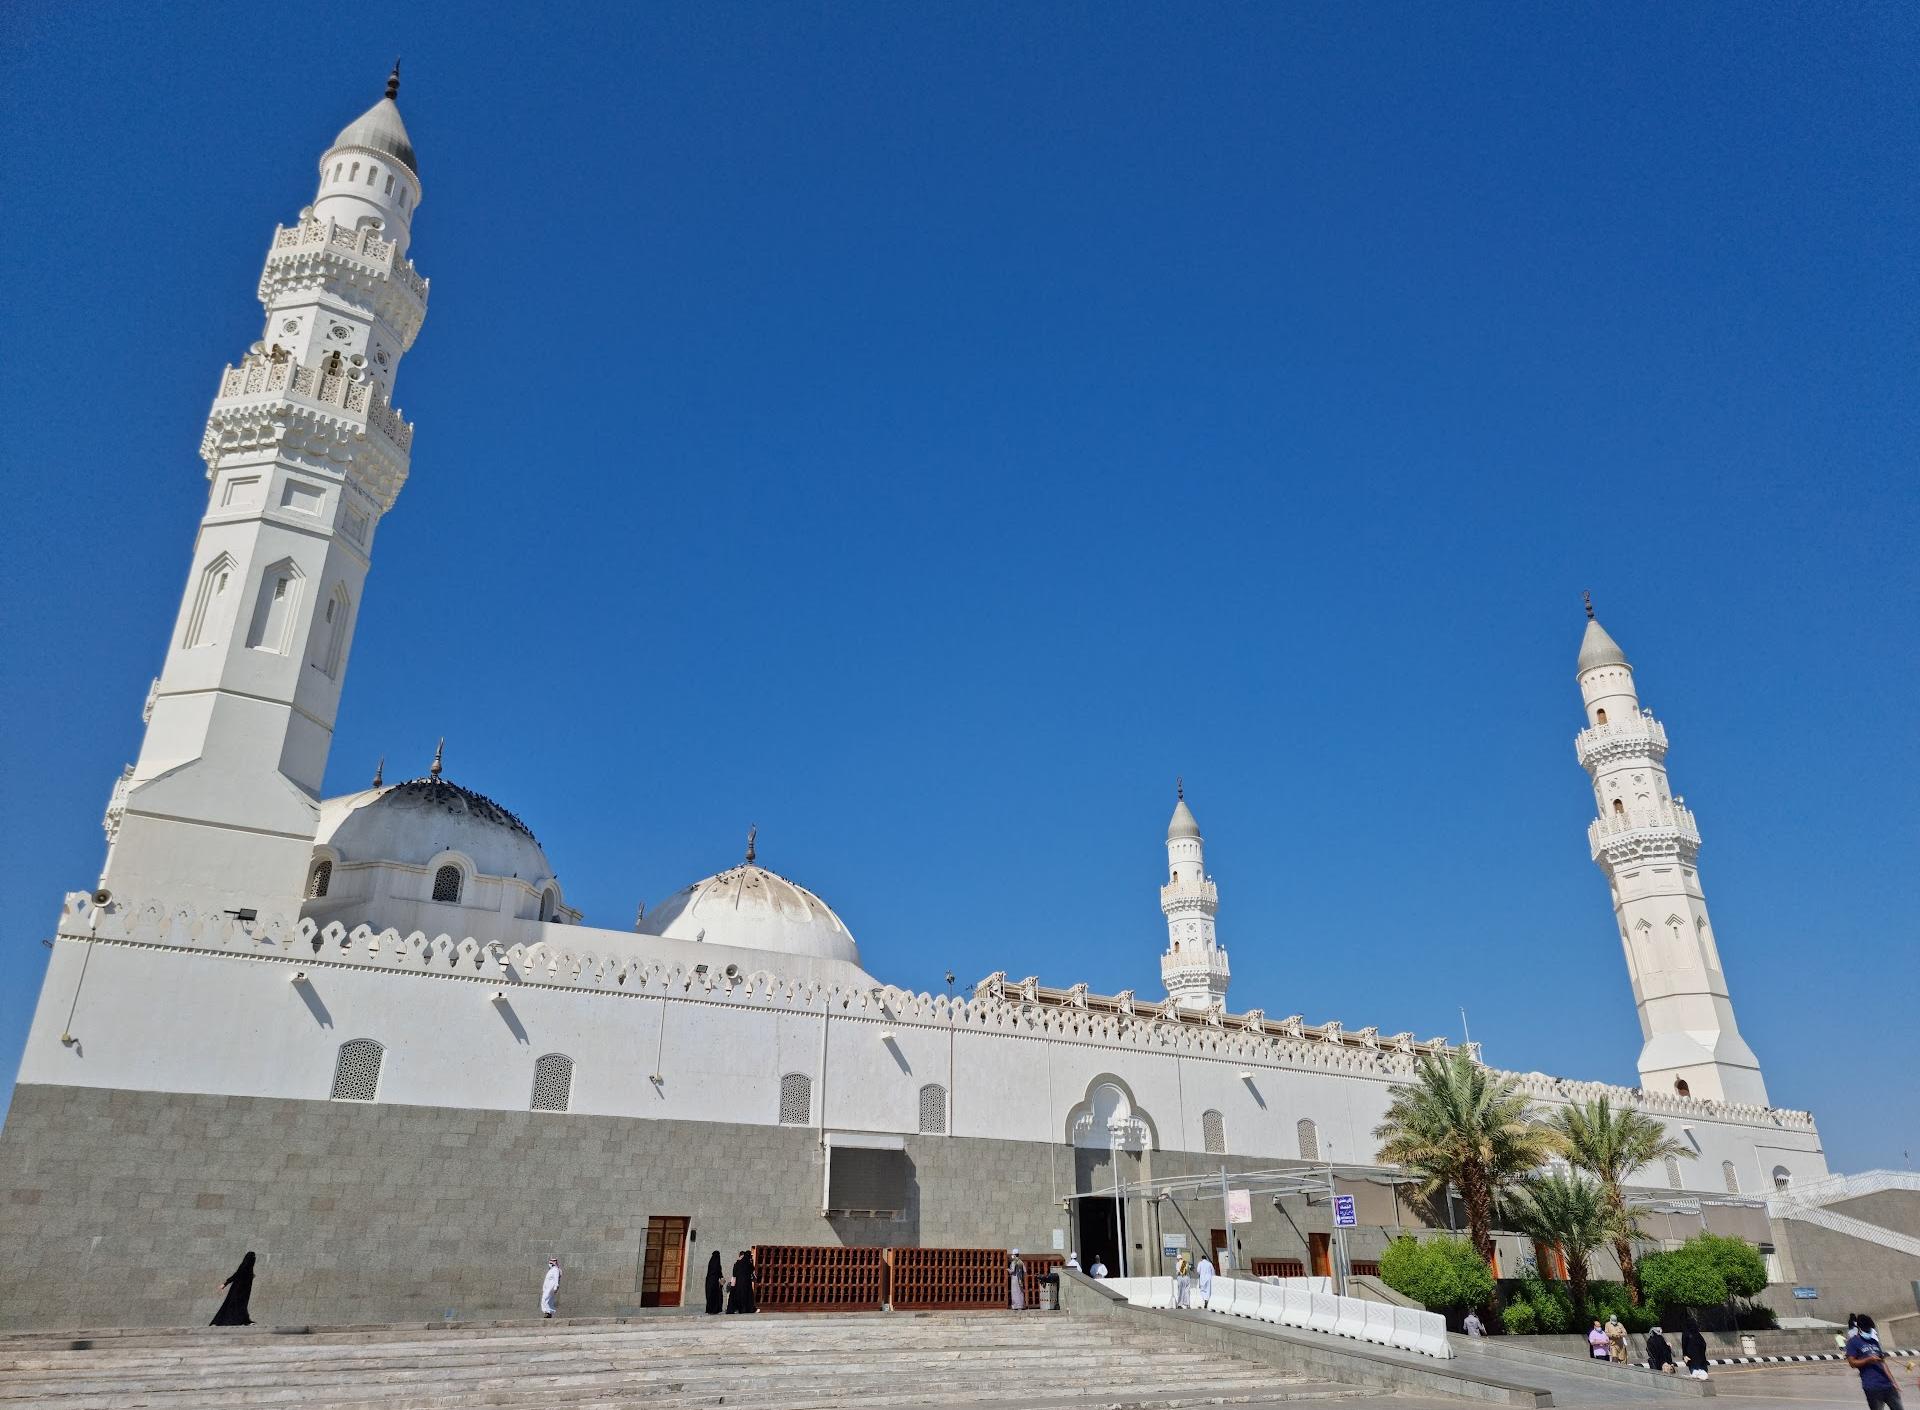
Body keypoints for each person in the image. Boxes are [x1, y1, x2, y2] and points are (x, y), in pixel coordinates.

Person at [1847, 1314, 1903, 1410]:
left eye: (1869, 1329)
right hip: (1872, 1387)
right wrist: (1868, 1359)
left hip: (1888, 1385)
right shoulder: (1853, 1342)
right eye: (1866, 1329)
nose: (1868, 1331)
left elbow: (1883, 1363)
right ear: (1859, 1328)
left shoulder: (1874, 1341)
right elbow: (1852, 1363)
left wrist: (1893, 1381)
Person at [210, 1251, 256, 1327]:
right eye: (253, 1258)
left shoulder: (249, 1268)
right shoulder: (244, 1266)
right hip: (238, 1290)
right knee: (237, 1305)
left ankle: (245, 1320)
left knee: (241, 1305)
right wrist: (224, 1284)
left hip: (243, 1290)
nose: (254, 1259)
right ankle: (243, 1321)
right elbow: (235, 1275)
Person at [727, 1249, 756, 1313]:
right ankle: (747, 1309)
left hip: (739, 1282)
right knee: (747, 1296)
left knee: (739, 1295)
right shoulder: (748, 1263)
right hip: (747, 1283)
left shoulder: (737, 1263)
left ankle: (740, 1309)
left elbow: (734, 1273)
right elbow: (752, 1269)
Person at [704, 1250, 724, 1315]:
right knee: (715, 1296)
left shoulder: (711, 1262)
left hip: (708, 1281)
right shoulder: (717, 1264)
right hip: (714, 1282)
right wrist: (721, 1277)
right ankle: (714, 1310)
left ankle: (710, 1309)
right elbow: (718, 1272)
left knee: (709, 1296)